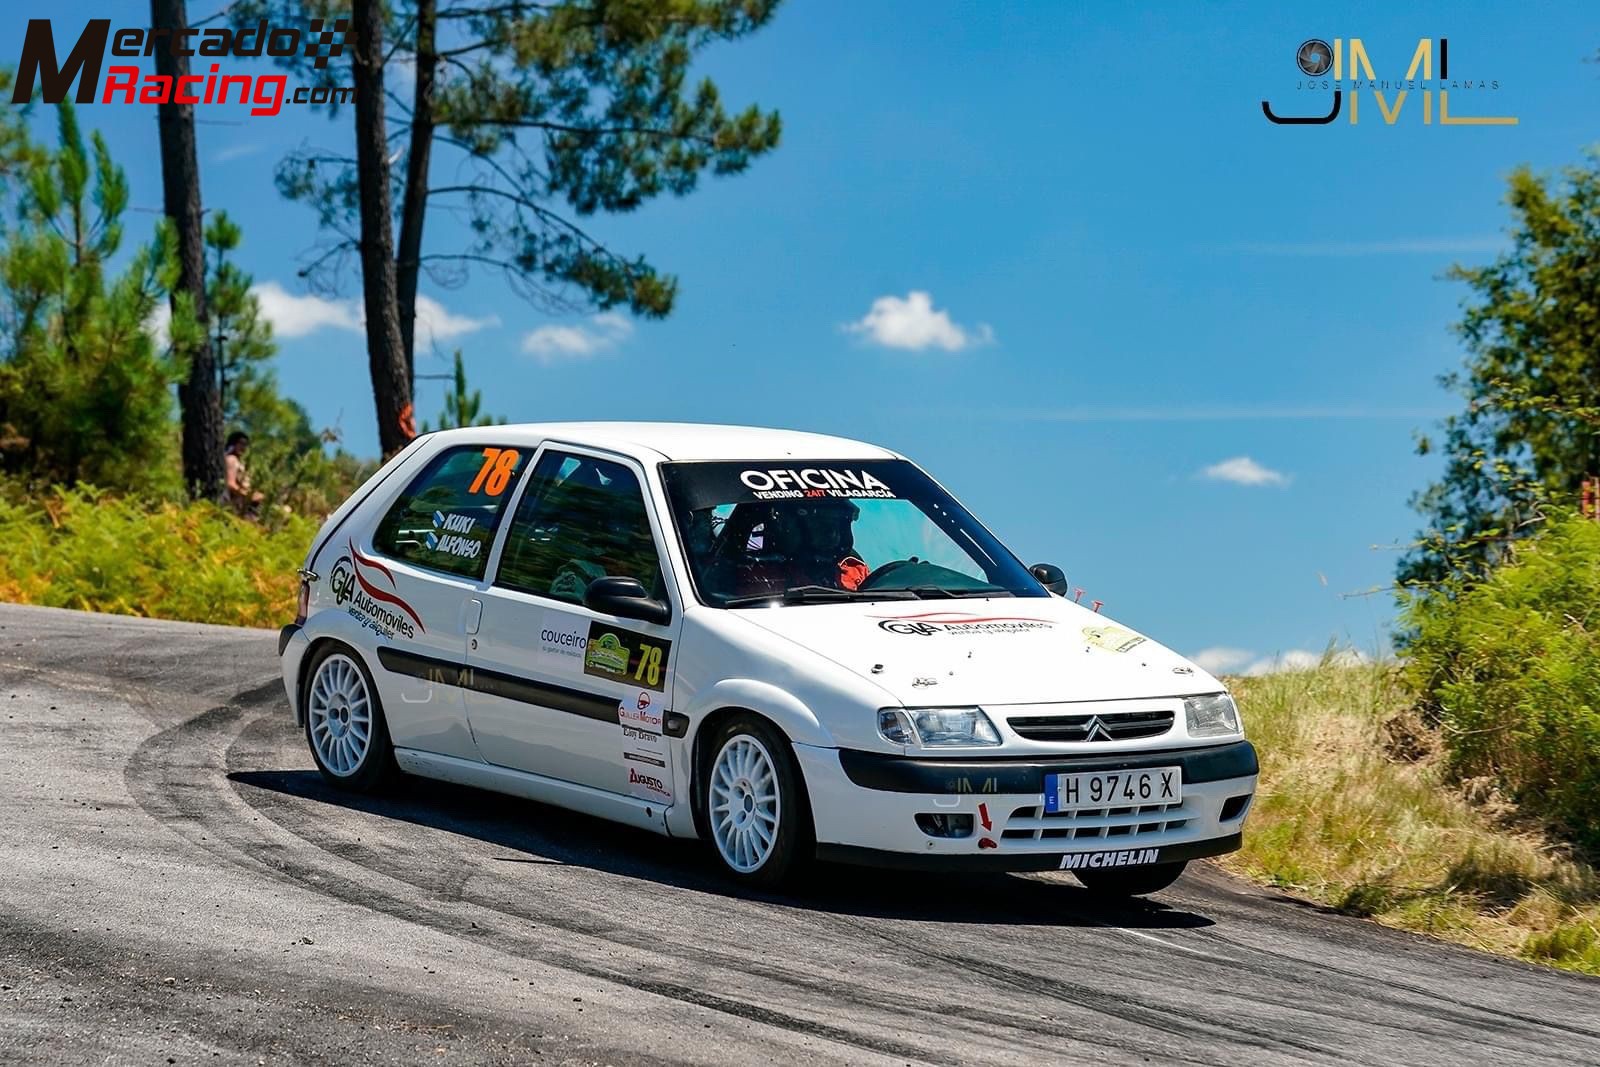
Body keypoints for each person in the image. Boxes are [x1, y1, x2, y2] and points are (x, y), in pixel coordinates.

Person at [224, 431, 265, 517]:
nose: (244, 447)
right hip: (238, 504)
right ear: (233, 444)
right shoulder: (231, 460)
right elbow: (230, 484)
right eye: (241, 444)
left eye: (245, 445)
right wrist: (250, 496)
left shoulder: (240, 462)